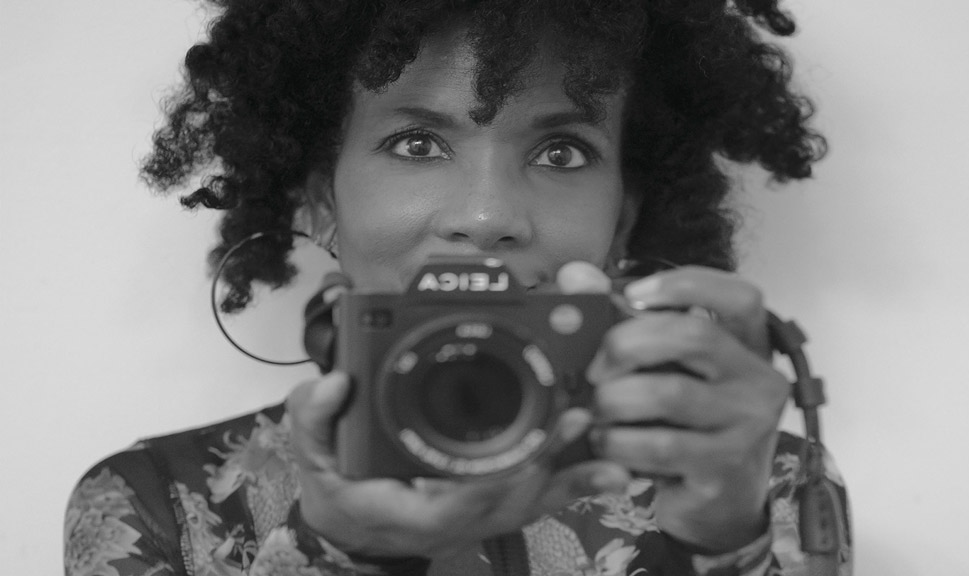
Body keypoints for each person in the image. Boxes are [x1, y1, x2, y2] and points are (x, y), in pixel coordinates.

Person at [64, 1, 852, 575]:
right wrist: (342, 556)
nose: (487, 216)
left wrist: (729, 546)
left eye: (562, 154)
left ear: (623, 219)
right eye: (417, 142)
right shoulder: (150, 501)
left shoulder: (755, 481)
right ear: (318, 200)